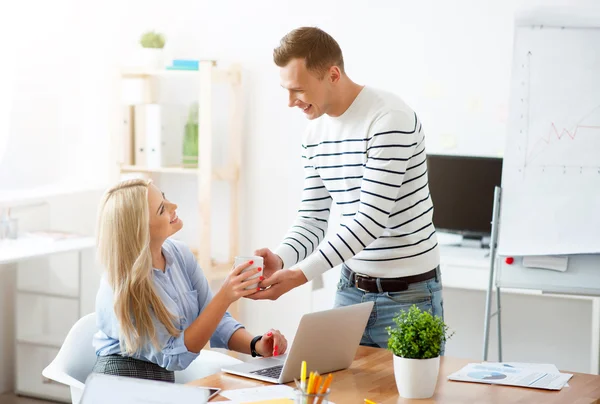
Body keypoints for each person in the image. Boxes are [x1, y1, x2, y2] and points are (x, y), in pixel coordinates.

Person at [251, 27, 443, 349]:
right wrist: (281, 260)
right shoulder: (314, 135)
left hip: (409, 296)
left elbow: (370, 220)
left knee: (410, 400)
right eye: (286, 90)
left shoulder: (388, 118)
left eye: (297, 89)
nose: (289, 102)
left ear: (333, 74)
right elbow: (312, 219)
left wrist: (300, 275)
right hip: (350, 290)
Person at [92, 179, 287, 382]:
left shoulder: (180, 254)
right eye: (162, 209)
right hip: (119, 382)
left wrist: (256, 345)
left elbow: (214, 319)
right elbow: (174, 356)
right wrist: (225, 296)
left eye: (165, 197)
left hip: (160, 381)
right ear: (140, 231)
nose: (174, 206)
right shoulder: (123, 287)